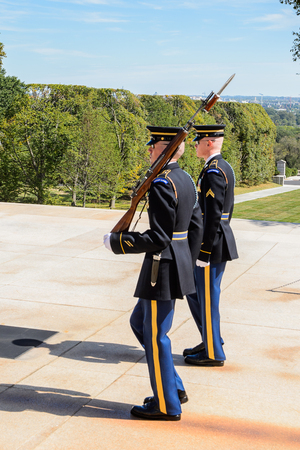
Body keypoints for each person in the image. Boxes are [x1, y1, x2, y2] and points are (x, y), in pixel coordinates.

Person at [103, 125, 202, 421]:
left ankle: (166, 404)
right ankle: (173, 387)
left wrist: (119, 242)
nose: (149, 149)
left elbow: (159, 238)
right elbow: (194, 227)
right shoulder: (184, 179)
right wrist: (188, 260)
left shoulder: (162, 183)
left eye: (154, 146)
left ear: (167, 149)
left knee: (156, 335)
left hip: (162, 268)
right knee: (139, 323)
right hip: (176, 264)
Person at [184, 124, 238, 367]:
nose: (195, 144)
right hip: (216, 240)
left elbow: (214, 215)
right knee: (196, 294)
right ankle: (210, 339)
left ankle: (214, 353)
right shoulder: (220, 167)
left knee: (207, 298)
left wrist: (204, 251)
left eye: (198, 140)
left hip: (212, 244)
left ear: (209, 142)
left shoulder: (214, 172)